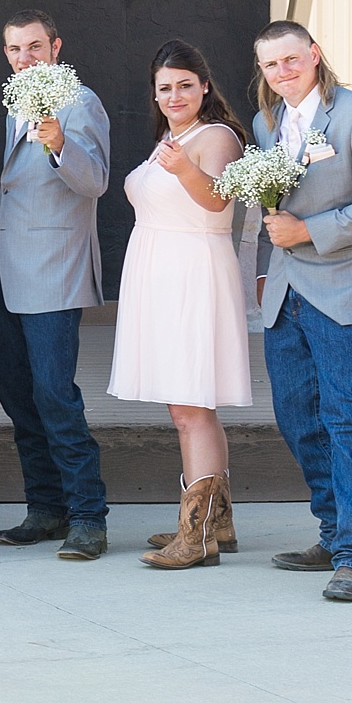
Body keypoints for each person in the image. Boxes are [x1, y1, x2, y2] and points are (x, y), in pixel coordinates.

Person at [250, 21, 352, 603]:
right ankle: (333, 531)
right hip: (287, 292)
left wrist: (308, 231)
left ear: (314, 55)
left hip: (349, 290)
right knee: (297, 417)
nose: (282, 73)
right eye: (271, 65)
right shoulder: (266, 123)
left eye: (292, 60)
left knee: (350, 419)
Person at [0, 10, 114, 560]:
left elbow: (94, 181)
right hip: (8, 269)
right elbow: (13, 191)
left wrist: (59, 143)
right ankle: (46, 509)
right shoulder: (15, 102)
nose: (24, 57)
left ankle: (88, 517)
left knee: (55, 395)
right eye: (14, 49)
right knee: (16, 394)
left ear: (56, 46)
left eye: (34, 47)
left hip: (53, 271)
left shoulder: (78, 101)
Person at [108, 40, 252, 571]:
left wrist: (183, 169)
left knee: (192, 405)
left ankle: (198, 535)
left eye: (185, 85)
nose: (174, 95)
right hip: (160, 273)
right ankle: (216, 520)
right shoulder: (172, 137)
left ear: (205, 86)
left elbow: (217, 199)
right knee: (185, 405)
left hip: (193, 274)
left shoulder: (214, 136)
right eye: (164, 87)